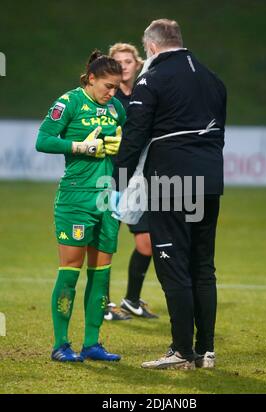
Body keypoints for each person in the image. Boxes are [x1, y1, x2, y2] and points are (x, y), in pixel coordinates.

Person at [112, 19, 227, 370]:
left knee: (172, 264)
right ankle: (205, 351)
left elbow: (135, 134)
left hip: (171, 182)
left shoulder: (151, 78)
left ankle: (181, 351)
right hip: (209, 180)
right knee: (203, 266)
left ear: (150, 47)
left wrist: (116, 181)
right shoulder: (212, 78)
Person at [36, 49, 126, 362]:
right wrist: (78, 146)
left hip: (106, 199)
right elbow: (43, 140)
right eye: (108, 86)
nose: (113, 93)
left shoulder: (115, 108)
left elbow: (122, 141)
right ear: (91, 79)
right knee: (70, 273)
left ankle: (92, 344)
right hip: (75, 198)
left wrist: (119, 145)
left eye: (117, 87)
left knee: (101, 275)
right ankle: (61, 345)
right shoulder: (69, 102)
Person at [104, 43, 158, 321]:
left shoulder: (145, 95)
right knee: (105, 243)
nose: (124, 66)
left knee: (146, 242)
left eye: (128, 61)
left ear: (138, 65)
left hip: (137, 180)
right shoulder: (106, 100)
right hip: (111, 178)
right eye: (118, 62)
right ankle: (103, 304)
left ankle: (132, 300)